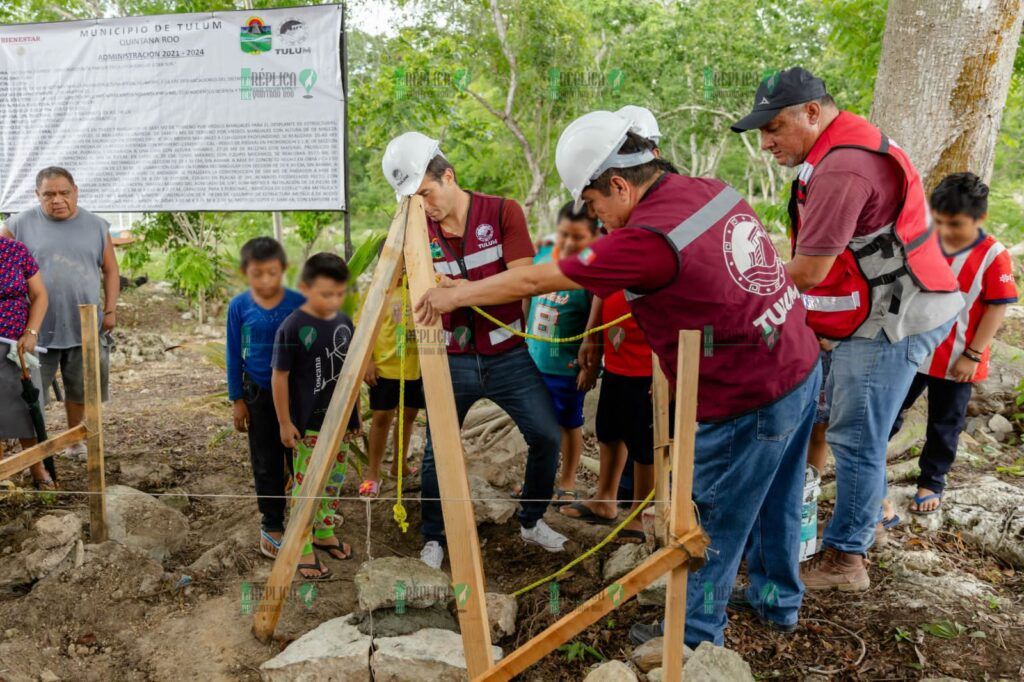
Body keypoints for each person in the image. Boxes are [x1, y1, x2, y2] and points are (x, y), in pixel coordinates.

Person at [414, 111, 821, 646]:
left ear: (621, 184)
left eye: (594, 202)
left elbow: (540, 276)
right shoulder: (709, 188)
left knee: (711, 519)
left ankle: (694, 636)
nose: (595, 215)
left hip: (747, 394)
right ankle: (778, 602)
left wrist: (455, 294)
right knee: (778, 497)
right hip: (797, 362)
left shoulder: (642, 239)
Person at [731, 67, 963, 591]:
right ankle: (855, 526)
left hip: (897, 316)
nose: (766, 143)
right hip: (877, 305)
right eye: (761, 132)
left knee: (855, 437)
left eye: (773, 129)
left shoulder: (842, 169)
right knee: (835, 420)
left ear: (812, 113)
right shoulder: (836, 148)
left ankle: (846, 560)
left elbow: (810, 269)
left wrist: (735, 289)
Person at [381, 132, 568, 570]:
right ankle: (434, 536)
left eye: (427, 192)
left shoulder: (503, 212)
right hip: (451, 358)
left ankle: (531, 519)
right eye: (415, 199)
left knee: (546, 435)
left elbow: (524, 279)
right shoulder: (415, 230)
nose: (425, 205)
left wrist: (463, 293)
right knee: (436, 453)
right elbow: (394, 290)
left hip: (508, 356)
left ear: (449, 176)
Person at [890, 173, 1016, 514]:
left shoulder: (993, 255)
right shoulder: (925, 240)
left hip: (957, 358)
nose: (945, 231)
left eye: (956, 224)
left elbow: (997, 306)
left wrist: (973, 354)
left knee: (945, 423)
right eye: (939, 221)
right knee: (889, 411)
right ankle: (872, 477)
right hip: (913, 352)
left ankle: (931, 481)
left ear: (980, 219)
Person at [1, 167, 120, 461]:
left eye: (64, 193)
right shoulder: (18, 224)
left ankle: (75, 441)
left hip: (85, 323)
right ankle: (37, 450)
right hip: (34, 327)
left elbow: (111, 270)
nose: (57, 200)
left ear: (75, 191)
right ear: (37, 196)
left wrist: (110, 309)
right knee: (30, 391)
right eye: (49, 194)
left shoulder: (95, 225)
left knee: (80, 386)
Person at [271, 252, 359, 580]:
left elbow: (349, 373)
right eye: (325, 294)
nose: (333, 300)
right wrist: (284, 421)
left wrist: (355, 416)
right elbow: (279, 376)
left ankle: (323, 531)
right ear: (305, 288)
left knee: (334, 480)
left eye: (339, 293)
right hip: (306, 424)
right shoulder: (293, 326)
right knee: (306, 486)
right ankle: (301, 544)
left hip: (338, 422)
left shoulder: (344, 323)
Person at [226, 237, 304, 558]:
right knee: (265, 459)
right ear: (246, 272)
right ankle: (272, 522)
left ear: (283, 269)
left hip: (297, 395)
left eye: (272, 272)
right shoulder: (239, 306)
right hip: (257, 393)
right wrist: (237, 399)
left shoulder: (299, 303)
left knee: (301, 456)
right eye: (257, 274)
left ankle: (308, 518)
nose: (266, 280)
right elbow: (233, 354)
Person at [561, 287, 653, 545]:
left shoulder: (667, 251)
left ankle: (640, 514)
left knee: (645, 444)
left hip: (649, 364)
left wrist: (670, 364)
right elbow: (602, 289)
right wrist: (591, 336)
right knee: (609, 430)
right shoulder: (613, 249)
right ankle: (604, 499)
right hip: (616, 356)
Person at [525, 201, 599, 506]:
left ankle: (567, 480)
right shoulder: (543, 256)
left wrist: (590, 366)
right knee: (537, 426)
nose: (569, 243)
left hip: (566, 366)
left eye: (578, 237)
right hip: (534, 361)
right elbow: (526, 296)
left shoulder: (593, 267)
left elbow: (598, 317)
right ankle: (535, 483)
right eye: (564, 234)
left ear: (594, 237)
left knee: (569, 424)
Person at [359, 275, 422, 498]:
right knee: (381, 418)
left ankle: (399, 464)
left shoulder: (421, 286)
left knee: (409, 415)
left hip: (416, 367)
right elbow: (364, 329)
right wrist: (368, 361)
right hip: (385, 368)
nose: (403, 269)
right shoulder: (377, 293)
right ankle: (373, 473)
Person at [0, 234, 51, 488]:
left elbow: (40, 294)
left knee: (27, 408)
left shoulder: (14, 250)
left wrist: (31, 332)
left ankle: (37, 467)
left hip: (17, 345)